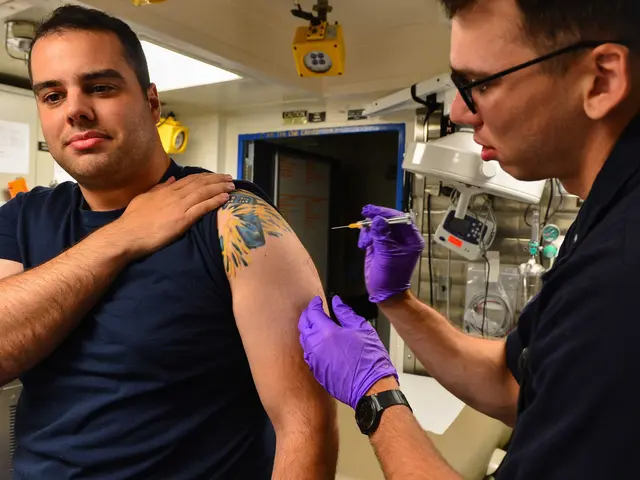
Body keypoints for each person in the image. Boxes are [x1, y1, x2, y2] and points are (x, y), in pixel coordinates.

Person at [299, 0, 640, 478]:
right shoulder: (605, 218)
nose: (458, 111)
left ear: (600, 81)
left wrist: (376, 395)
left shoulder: (621, 277)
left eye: (480, 83)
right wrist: (397, 301)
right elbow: (514, 381)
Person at [0, 5, 338, 479]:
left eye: (100, 87)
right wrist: (124, 235)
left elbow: (306, 424)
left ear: (152, 103)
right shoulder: (23, 218)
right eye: (52, 96)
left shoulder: (231, 216)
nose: (75, 109)